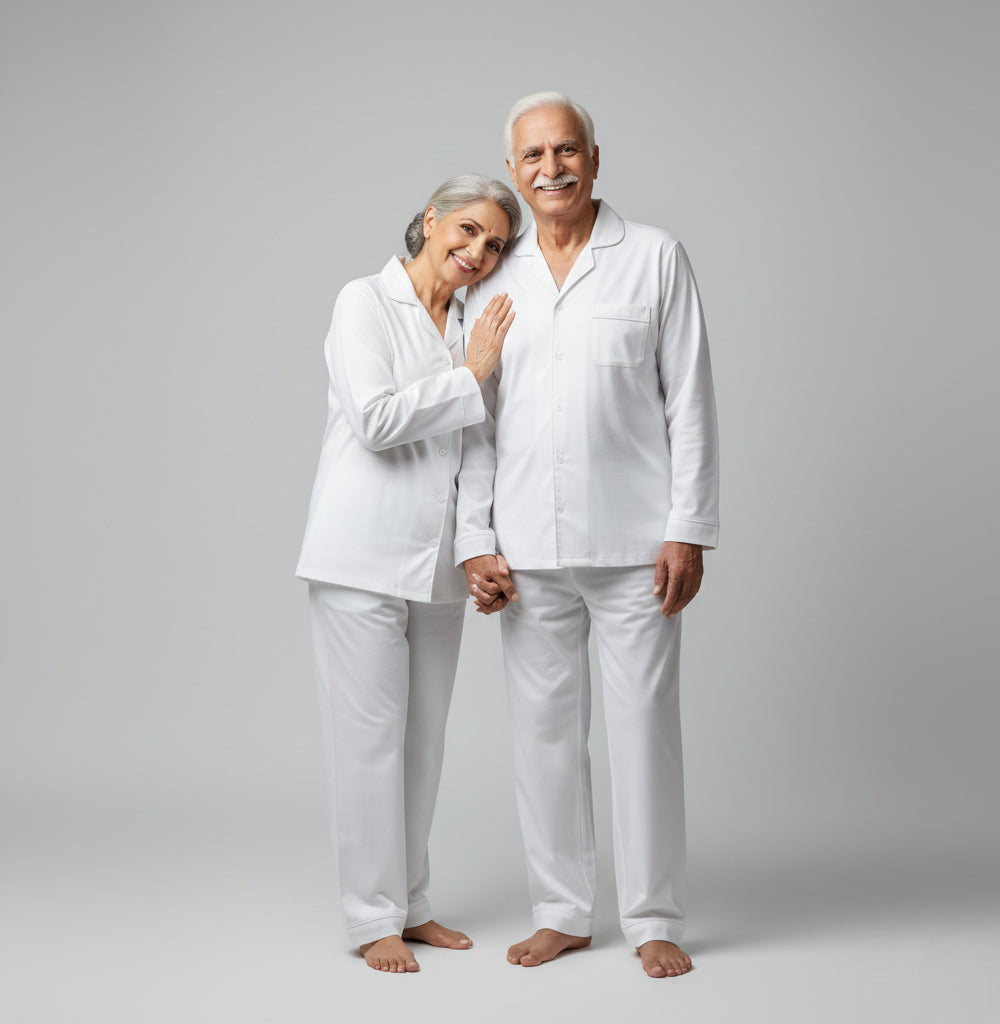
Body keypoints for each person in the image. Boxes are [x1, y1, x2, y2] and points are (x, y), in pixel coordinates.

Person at [456, 93, 719, 979]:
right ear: (514, 170)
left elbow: (690, 400)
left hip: (638, 546)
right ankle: (563, 912)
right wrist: (473, 539)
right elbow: (474, 420)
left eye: (566, 151)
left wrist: (688, 528)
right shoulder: (494, 275)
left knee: (646, 731)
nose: (551, 169)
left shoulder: (653, 258)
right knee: (542, 736)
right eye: (532, 157)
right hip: (527, 549)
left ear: (596, 160)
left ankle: (653, 916)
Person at [296, 174, 521, 974]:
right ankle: (370, 918)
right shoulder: (363, 300)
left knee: (422, 744)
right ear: (429, 221)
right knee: (368, 745)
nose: (477, 253)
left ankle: (412, 903)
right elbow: (376, 418)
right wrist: (473, 374)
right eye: (466, 231)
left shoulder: (471, 320)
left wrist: (477, 546)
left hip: (436, 564)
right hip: (358, 555)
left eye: (494, 244)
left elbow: (478, 448)